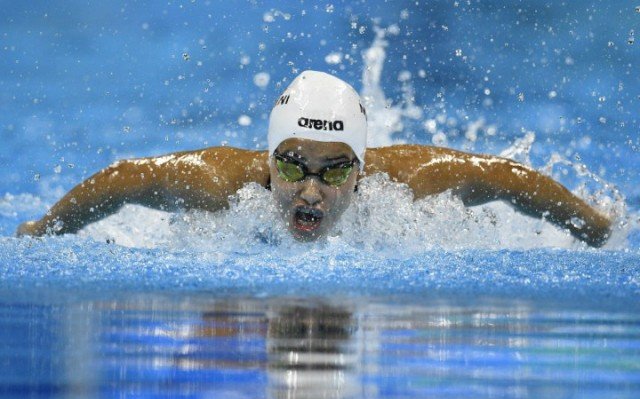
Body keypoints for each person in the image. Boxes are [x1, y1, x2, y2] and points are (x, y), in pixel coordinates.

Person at [17, 70, 612, 247]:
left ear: (361, 170)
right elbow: (122, 180)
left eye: (335, 171)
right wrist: (41, 231)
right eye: (292, 166)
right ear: (269, 158)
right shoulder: (219, 184)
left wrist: (596, 227)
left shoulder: (410, 183)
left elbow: (508, 179)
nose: (310, 191)